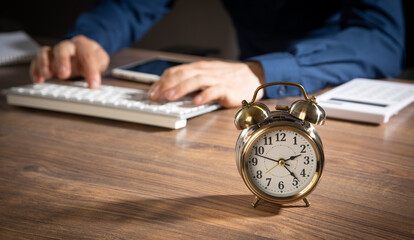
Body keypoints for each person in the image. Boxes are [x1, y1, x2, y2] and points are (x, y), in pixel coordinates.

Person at [30, 0, 405, 108]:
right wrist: (91, 38)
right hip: (243, 98)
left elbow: (381, 39)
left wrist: (260, 72)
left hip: (340, 90)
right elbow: (132, 4)